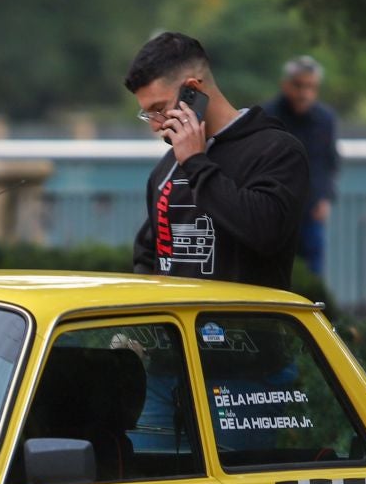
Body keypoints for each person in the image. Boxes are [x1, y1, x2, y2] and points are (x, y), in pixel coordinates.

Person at [124, 32, 308, 291]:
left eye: (160, 108)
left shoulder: (277, 150)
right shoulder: (167, 166)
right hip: (180, 329)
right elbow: (147, 253)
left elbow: (266, 233)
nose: (156, 125)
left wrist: (196, 163)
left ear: (193, 89)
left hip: (246, 328)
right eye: (148, 113)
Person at [264, 55, 339, 276]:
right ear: (286, 85)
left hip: (311, 211)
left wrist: (325, 198)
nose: (304, 93)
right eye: (299, 85)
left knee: (313, 272)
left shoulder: (325, 119)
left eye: (311, 87)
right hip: (275, 211)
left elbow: (330, 161)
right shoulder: (268, 114)